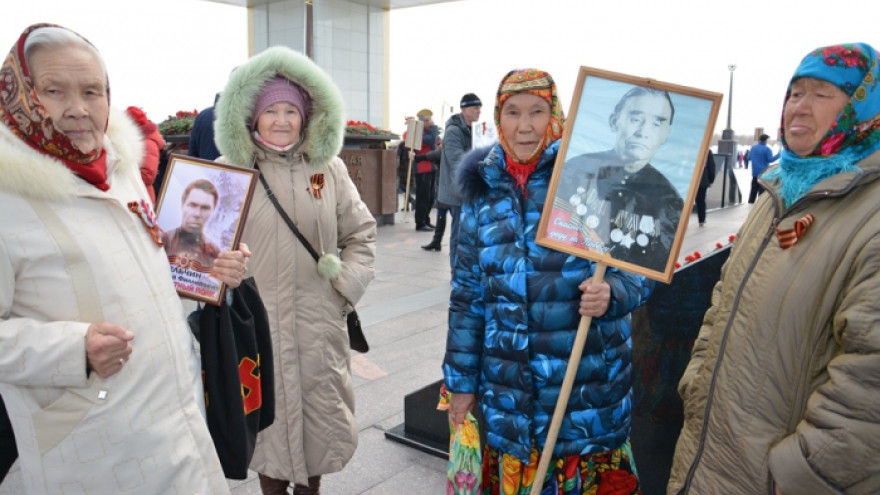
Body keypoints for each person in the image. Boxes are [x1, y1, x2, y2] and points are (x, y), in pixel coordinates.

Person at [0, 23, 250, 494]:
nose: (78, 109)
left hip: (174, 420)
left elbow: (138, 270)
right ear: (20, 93)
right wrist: (73, 351)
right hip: (91, 444)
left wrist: (207, 270)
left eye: (92, 91)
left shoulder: (118, 167)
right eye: (54, 90)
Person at [669, 42, 880, 495]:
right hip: (711, 454)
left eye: (823, 94)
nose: (799, 107)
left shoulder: (870, 213)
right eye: (795, 93)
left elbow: (870, 377)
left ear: (863, 107)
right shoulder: (778, 194)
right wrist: (696, 385)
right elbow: (723, 301)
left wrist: (804, 471)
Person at [443, 69, 652, 494]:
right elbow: (467, 297)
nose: (525, 126)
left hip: (584, 396)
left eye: (537, 112)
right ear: (497, 120)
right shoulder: (482, 192)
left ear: (556, 115)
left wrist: (614, 292)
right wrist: (460, 385)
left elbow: (641, 263)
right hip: (509, 400)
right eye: (513, 113)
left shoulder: (596, 177)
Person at [213, 46, 377, 495]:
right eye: (271, 111)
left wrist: (342, 289)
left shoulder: (330, 170)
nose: (281, 120)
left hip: (317, 326)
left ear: (307, 117)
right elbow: (199, 251)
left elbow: (361, 235)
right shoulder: (228, 174)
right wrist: (219, 275)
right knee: (267, 437)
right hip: (256, 330)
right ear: (252, 118)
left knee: (318, 435)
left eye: (291, 110)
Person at [554, 86, 684, 272]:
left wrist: (615, 287)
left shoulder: (669, 202)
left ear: (666, 133)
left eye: (656, 123)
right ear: (615, 120)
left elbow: (652, 274)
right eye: (636, 119)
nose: (643, 131)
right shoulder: (575, 172)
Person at [436, 92, 482, 262]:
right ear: (464, 109)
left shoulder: (477, 130)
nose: (479, 110)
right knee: (458, 233)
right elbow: (457, 161)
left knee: (469, 233)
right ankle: (456, 273)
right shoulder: (454, 131)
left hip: (471, 189)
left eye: (480, 107)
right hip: (458, 190)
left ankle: (467, 269)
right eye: (475, 107)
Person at [163, 178, 223, 270]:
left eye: (205, 208)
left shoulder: (214, 252)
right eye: (192, 205)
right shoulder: (164, 240)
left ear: (213, 211)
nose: (197, 214)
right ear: (183, 205)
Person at [125, 105, 164, 203]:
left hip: (142, 196)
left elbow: (148, 176)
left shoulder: (148, 143)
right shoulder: (140, 140)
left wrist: (124, 175)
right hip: (137, 193)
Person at [410, 109, 440, 231]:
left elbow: (435, 142)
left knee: (431, 197)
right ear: (424, 121)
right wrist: (433, 128)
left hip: (431, 167)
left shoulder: (429, 131)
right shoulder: (417, 132)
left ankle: (426, 219)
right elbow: (430, 140)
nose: (432, 122)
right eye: (430, 120)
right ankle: (420, 222)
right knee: (423, 197)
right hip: (422, 168)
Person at [747, 133, 780, 203]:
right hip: (763, 174)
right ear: (765, 140)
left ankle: (749, 204)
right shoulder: (767, 149)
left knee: (753, 190)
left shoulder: (753, 148)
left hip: (754, 173)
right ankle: (759, 206)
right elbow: (770, 159)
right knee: (761, 192)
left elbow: (749, 158)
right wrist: (778, 155)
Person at [189, 92, 222, 161]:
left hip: (204, 166)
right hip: (225, 168)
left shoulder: (202, 115)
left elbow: (193, 147)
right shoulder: (234, 117)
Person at [694, 149, 716, 226]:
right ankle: (701, 220)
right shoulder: (707, 150)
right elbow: (711, 166)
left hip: (689, 179)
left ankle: (681, 221)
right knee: (701, 200)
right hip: (702, 179)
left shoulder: (689, 148)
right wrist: (711, 179)